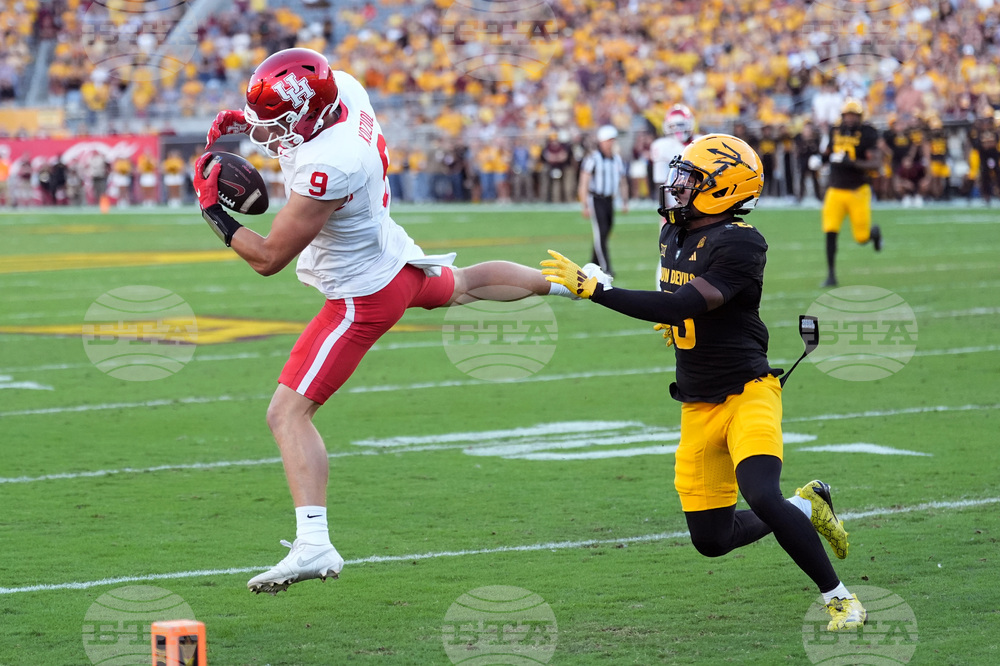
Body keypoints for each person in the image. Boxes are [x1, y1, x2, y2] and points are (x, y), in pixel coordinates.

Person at [196, 47, 575, 595]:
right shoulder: (343, 89)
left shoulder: (332, 164)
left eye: (279, 123)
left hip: (361, 295)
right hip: (396, 260)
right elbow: (297, 116)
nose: (270, 133)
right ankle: (574, 280)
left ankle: (313, 542)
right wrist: (251, 117)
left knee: (287, 414)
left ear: (310, 114)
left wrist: (213, 213)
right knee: (464, 284)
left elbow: (268, 258)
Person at [542, 134, 867, 632]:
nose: (678, 186)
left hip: (747, 391)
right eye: (682, 174)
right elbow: (672, 301)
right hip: (696, 401)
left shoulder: (741, 241)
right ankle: (808, 502)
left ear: (724, 189)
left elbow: (683, 304)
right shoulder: (674, 233)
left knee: (760, 494)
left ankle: (840, 598)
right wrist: (669, 323)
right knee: (712, 540)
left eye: (692, 179)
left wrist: (597, 290)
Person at [820, 98, 882, 288]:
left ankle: (874, 233)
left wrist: (852, 163)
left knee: (861, 238)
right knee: (830, 231)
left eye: (854, 115)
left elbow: (876, 164)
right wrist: (820, 159)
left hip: (857, 190)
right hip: (835, 189)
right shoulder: (835, 130)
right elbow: (829, 152)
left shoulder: (868, 134)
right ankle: (831, 274)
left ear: (860, 116)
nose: (850, 119)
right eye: (847, 115)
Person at [577, 125, 628, 277]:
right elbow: (584, 182)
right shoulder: (593, 158)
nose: (611, 143)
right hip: (596, 199)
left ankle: (592, 263)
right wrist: (584, 204)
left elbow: (622, 181)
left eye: (613, 140)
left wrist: (625, 200)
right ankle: (606, 268)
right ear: (602, 141)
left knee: (605, 232)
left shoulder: (616, 159)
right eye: (609, 140)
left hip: (609, 200)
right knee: (601, 232)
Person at [649, 104, 698, 220]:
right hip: (674, 203)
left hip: (697, 200)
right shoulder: (662, 146)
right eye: (673, 126)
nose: (678, 129)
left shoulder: (700, 141)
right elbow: (660, 182)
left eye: (681, 125)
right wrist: (664, 208)